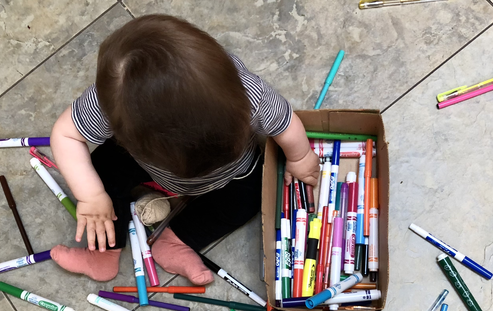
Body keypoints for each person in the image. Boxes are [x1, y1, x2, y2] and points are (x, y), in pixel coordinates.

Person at [49, 14, 318, 284]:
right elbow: (65, 135)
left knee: (252, 195)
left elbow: (285, 123)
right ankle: (105, 252)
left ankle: (177, 239)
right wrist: (92, 196)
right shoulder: (110, 102)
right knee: (100, 169)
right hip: (145, 163)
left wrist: (300, 156)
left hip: (234, 173)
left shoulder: (250, 94)